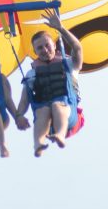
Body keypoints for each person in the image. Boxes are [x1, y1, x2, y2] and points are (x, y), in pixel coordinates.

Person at [16, 9, 83, 157]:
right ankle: (38, 144)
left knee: (56, 104)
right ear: (35, 52)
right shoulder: (32, 74)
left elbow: (77, 48)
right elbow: (25, 99)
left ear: (54, 44)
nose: (45, 50)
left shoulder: (69, 65)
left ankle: (60, 135)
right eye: (39, 48)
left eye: (47, 45)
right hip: (45, 120)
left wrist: (60, 28)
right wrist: (19, 115)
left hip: (68, 114)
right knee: (42, 110)